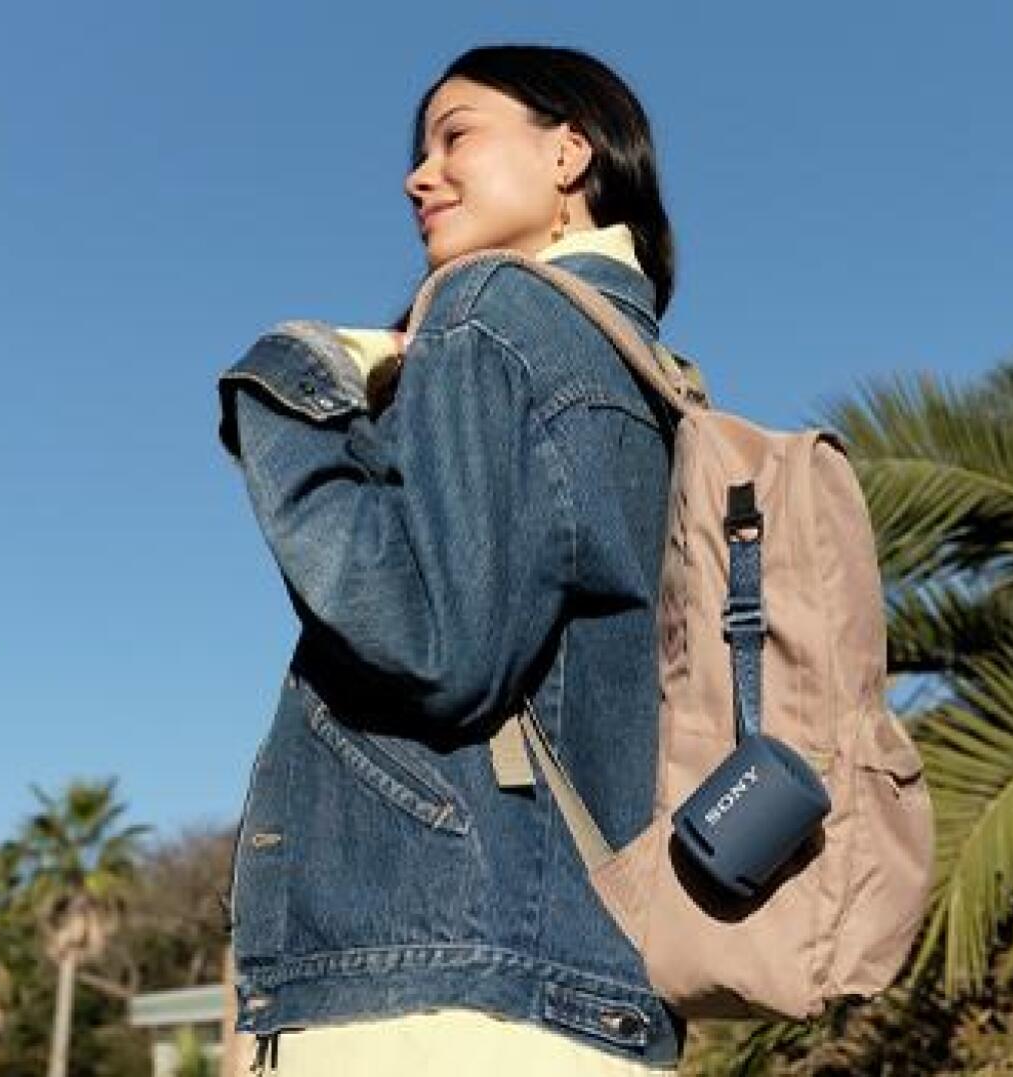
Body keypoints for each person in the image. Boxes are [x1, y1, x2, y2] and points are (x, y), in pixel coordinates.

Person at [215, 44, 687, 1075]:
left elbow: (435, 639)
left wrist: (289, 392)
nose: (415, 175)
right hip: (573, 988)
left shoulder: (494, 313)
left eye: (456, 135)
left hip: (446, 991)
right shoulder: (646, 372)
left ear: (570, 152)